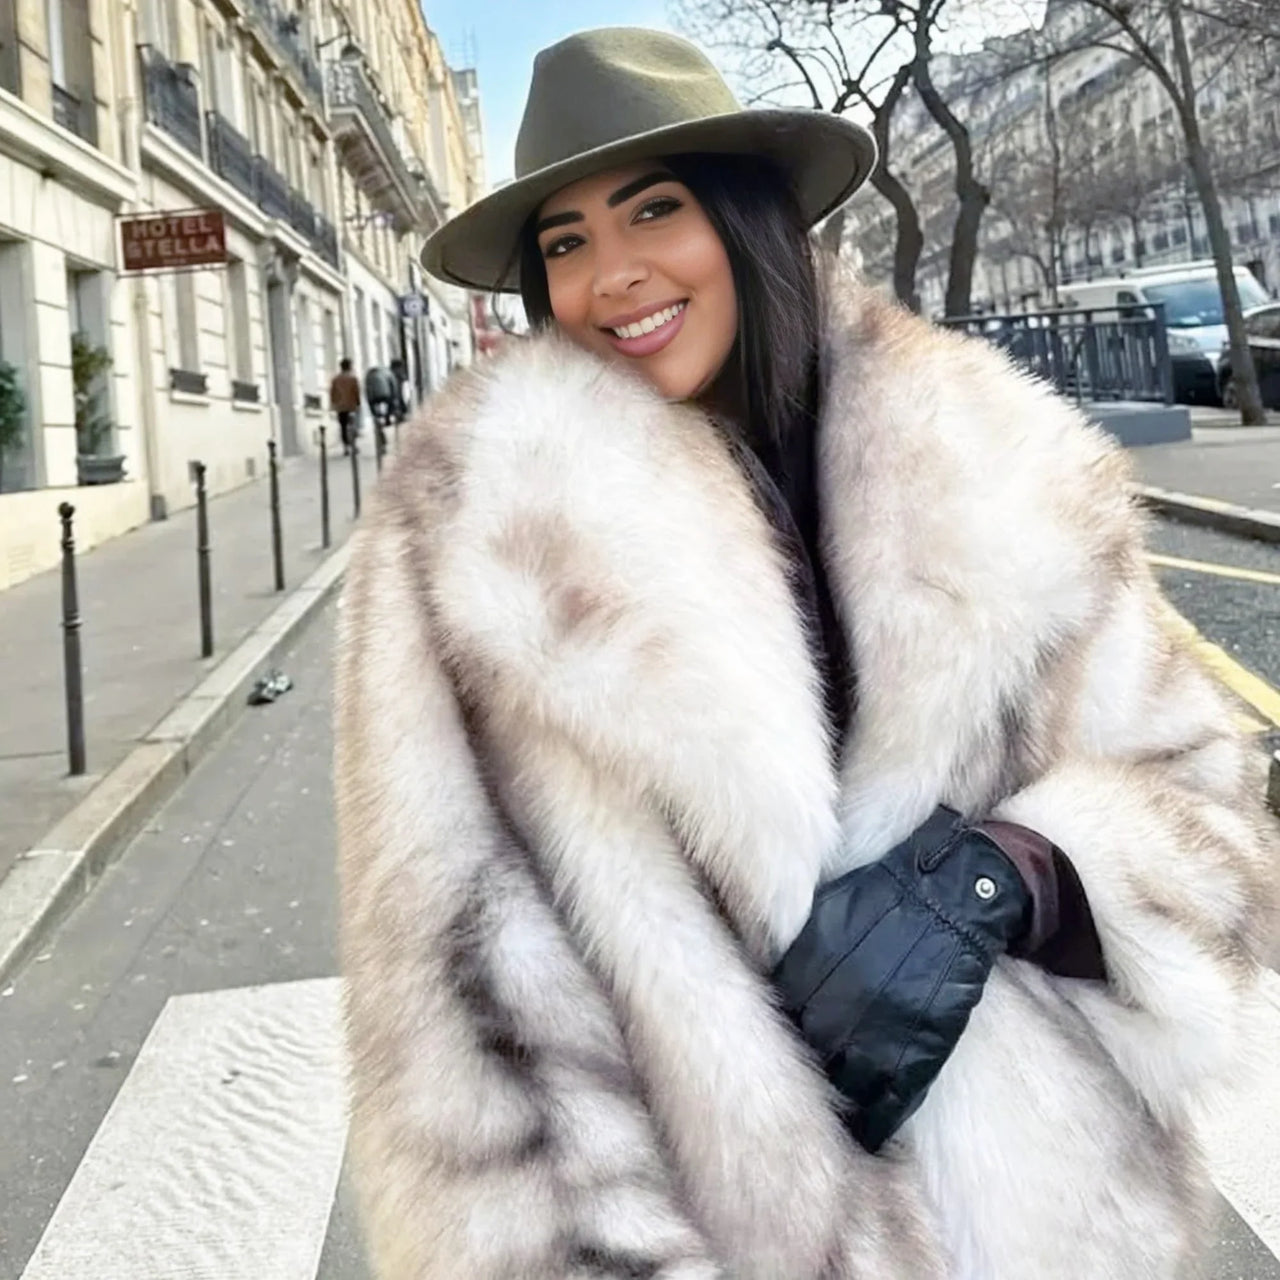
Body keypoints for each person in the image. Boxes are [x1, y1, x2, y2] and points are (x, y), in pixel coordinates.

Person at [334, 27, 1276, 1280]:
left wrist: (1020, 870)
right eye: (563, 243)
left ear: (744, 213)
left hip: (1057, 1228)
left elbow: (1203, 796)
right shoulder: (468, 532)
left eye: (650, 212)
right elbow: (459, 1011)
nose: (609, 274)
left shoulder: (1001, 459)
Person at [328, 357, 360, 456]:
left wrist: (333, 404)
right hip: (351, 405)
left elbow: (332, 393)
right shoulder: (353, 378)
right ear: (350, 366)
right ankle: (353, 445)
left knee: (343, 427)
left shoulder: (335, 379)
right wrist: (358, 403)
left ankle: (345, 447)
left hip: (340, 407)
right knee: (353, 425)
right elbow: (356, 392)